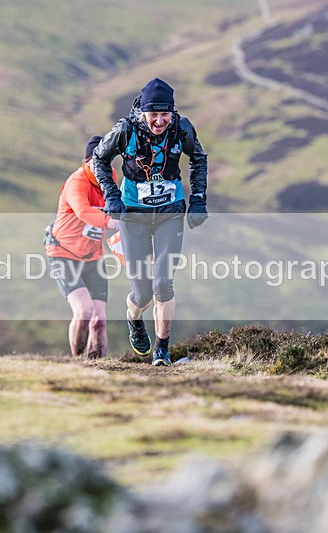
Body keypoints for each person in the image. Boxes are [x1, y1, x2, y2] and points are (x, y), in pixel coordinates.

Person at [93, 77, 208, 367]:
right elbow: (99, 159)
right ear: (142, 112)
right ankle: (134, 319)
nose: (159, 121)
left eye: (164, 114)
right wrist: (112, 197)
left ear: (172, 111)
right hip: (134, 214)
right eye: (153, 114)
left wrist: (198, 199)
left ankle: (162, 349)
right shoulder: (125, 130)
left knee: (164, 282)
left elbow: (198, 158)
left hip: (170, 211)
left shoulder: (182, 128)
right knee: (143, 290)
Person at [45, 136, 119, 359]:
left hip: (93, 257)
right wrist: (111, 222)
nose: (102, 168)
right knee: (85, 311)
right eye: (98, 162)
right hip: (63, 254)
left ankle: (100, 369)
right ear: (87, 161)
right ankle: (77, 363)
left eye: (107, 162)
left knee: (100, 320)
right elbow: (83, 211)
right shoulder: (76, 182)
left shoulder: (111, 179)